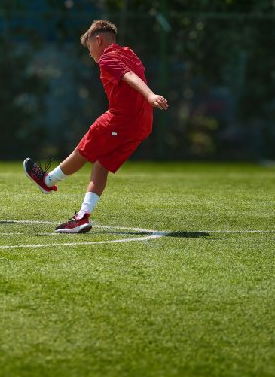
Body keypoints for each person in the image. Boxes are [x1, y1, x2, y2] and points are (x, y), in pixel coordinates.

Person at [23, 20, 169, 233]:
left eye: (90, 47)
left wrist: (150, 95)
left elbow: (129, 77)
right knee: (101, 164)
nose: (91, 53)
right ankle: (82, 217)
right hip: (143, 124)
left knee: (83, 151)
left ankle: (47, 180)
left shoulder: (108, 58)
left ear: (98, 40)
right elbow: (136, 73)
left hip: (121, 120)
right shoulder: (128, 53)